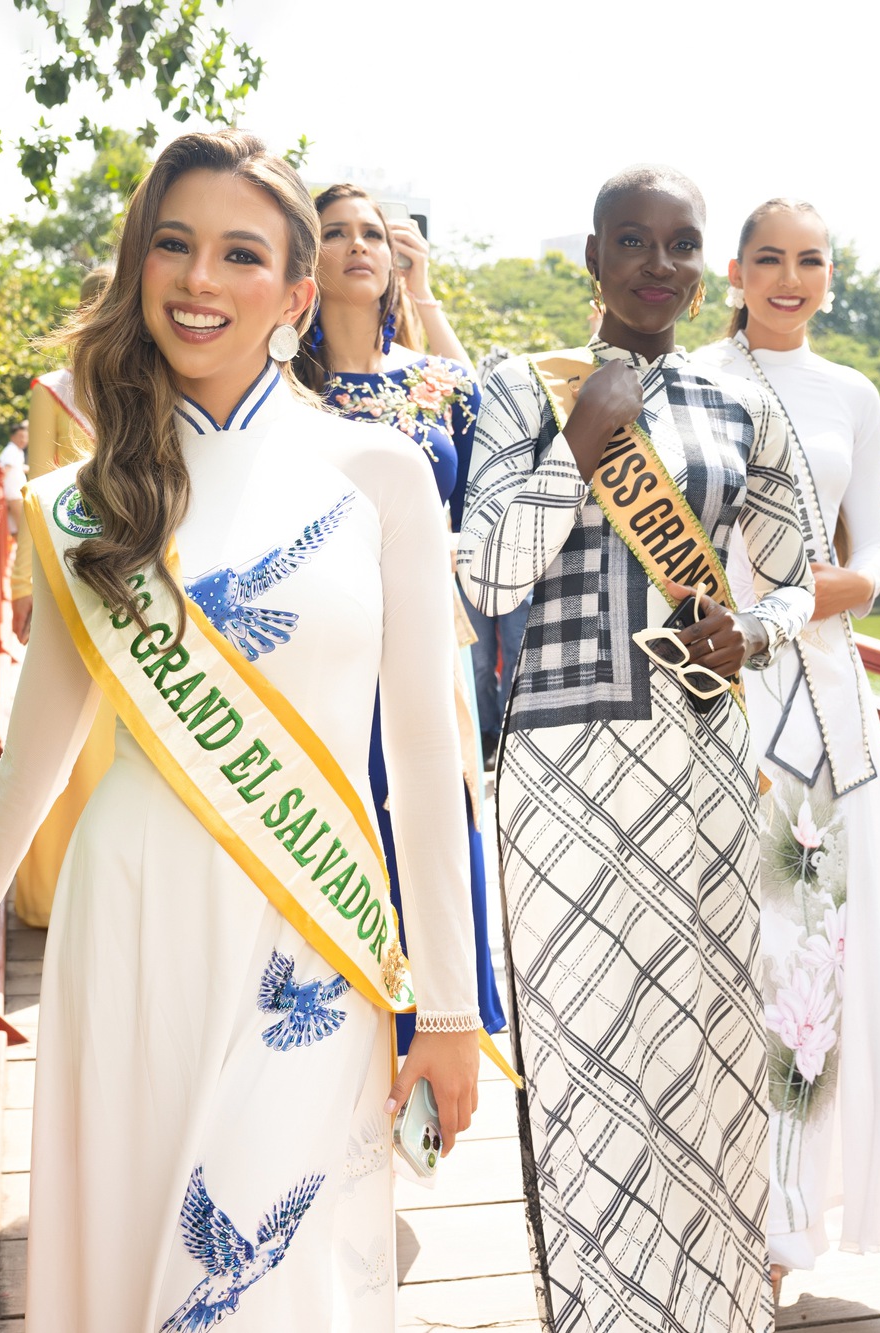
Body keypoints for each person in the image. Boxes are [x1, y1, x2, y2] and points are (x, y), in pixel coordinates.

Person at [0, 130, 485, 1332]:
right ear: (139, 270)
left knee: (266, 1270)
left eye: (241, 254)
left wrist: (447, 1012)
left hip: (311, 935)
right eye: (173, 245)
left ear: (295, 297)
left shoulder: (380, 475)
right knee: (149, 1267)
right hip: (129, 920)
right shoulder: (85, 501)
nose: (199, 280)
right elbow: (30, 767)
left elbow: (431, 767)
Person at [458, 165, 815, 1332]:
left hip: (702, 765)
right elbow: (489, 574)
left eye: (680, 245)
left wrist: (749, 628)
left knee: (706, 1053)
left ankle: (715, 1311)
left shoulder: (739, 408)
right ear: (592, 259)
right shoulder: (521, 386)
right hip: (561, 771)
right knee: (584, 1060)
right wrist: (580, 441)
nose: (657, 266)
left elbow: (801, 580)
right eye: (632, 242)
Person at [693, 198, 880, 1291]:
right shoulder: (686, 377)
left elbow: (873, 562)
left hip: (817, 691)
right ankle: (701, 1186)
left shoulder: (850, 393)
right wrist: (731, 625)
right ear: (733, 270)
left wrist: (774, 614)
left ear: (828, 278)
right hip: (703, 679)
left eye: (810, 262)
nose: (788, 278)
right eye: (769, 259)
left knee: (807, 956)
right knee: (714, 939)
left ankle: (782, 1223)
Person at [295, 181, 507, 1050]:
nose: (356, 246)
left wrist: (424, 296)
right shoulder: (280, 391)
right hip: (326, 649)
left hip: (421, 647)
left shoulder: (437, 382)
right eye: (333, 233)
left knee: (426, 811)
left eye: (374, 235)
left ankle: (439, 1013)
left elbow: (505, 446)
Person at [8, 263, 115, 930]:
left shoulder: (154, 383)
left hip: (141, 570)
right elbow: (36, 489)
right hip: (68, 567)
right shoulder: (52, 390)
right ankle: (51, 892)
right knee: (62, 732)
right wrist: (24, 583)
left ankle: (112, 887)